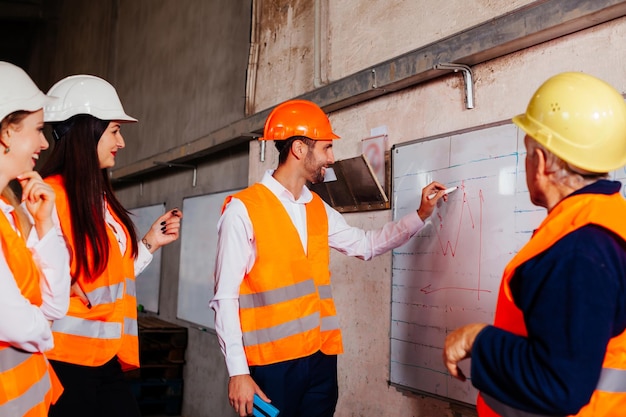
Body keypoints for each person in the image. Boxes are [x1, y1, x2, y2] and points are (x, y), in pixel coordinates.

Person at [210, 99, 450, 417]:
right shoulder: (243, 210)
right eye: (325, 148)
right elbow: (224, 298)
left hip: (321, 359)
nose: (331, 158)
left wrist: (420, 215)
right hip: (271, 366)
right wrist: (238, 371)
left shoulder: (317, 208)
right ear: (298, 148)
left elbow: (366, 245)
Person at [442, 72, 626, 417]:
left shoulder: (579, 249)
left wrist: (476, 340)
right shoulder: (608, 222)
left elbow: (560, 384)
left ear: (540, 163)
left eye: (527, 153)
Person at [38, 74, 183, 417]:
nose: (122, 141)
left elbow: (108, 276)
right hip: (63, 361)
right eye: (115, 130)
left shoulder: (100, 200)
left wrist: (148, 243)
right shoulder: (49, 197)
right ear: (88, 130)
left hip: (103, 357)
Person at [0, 61, 70, 416]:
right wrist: (44, 328)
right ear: (7, 132)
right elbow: (14, 322)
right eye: (39, 129)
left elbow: (56, 306)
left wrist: (45, 226)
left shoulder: (13, 213)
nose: (45, 142)